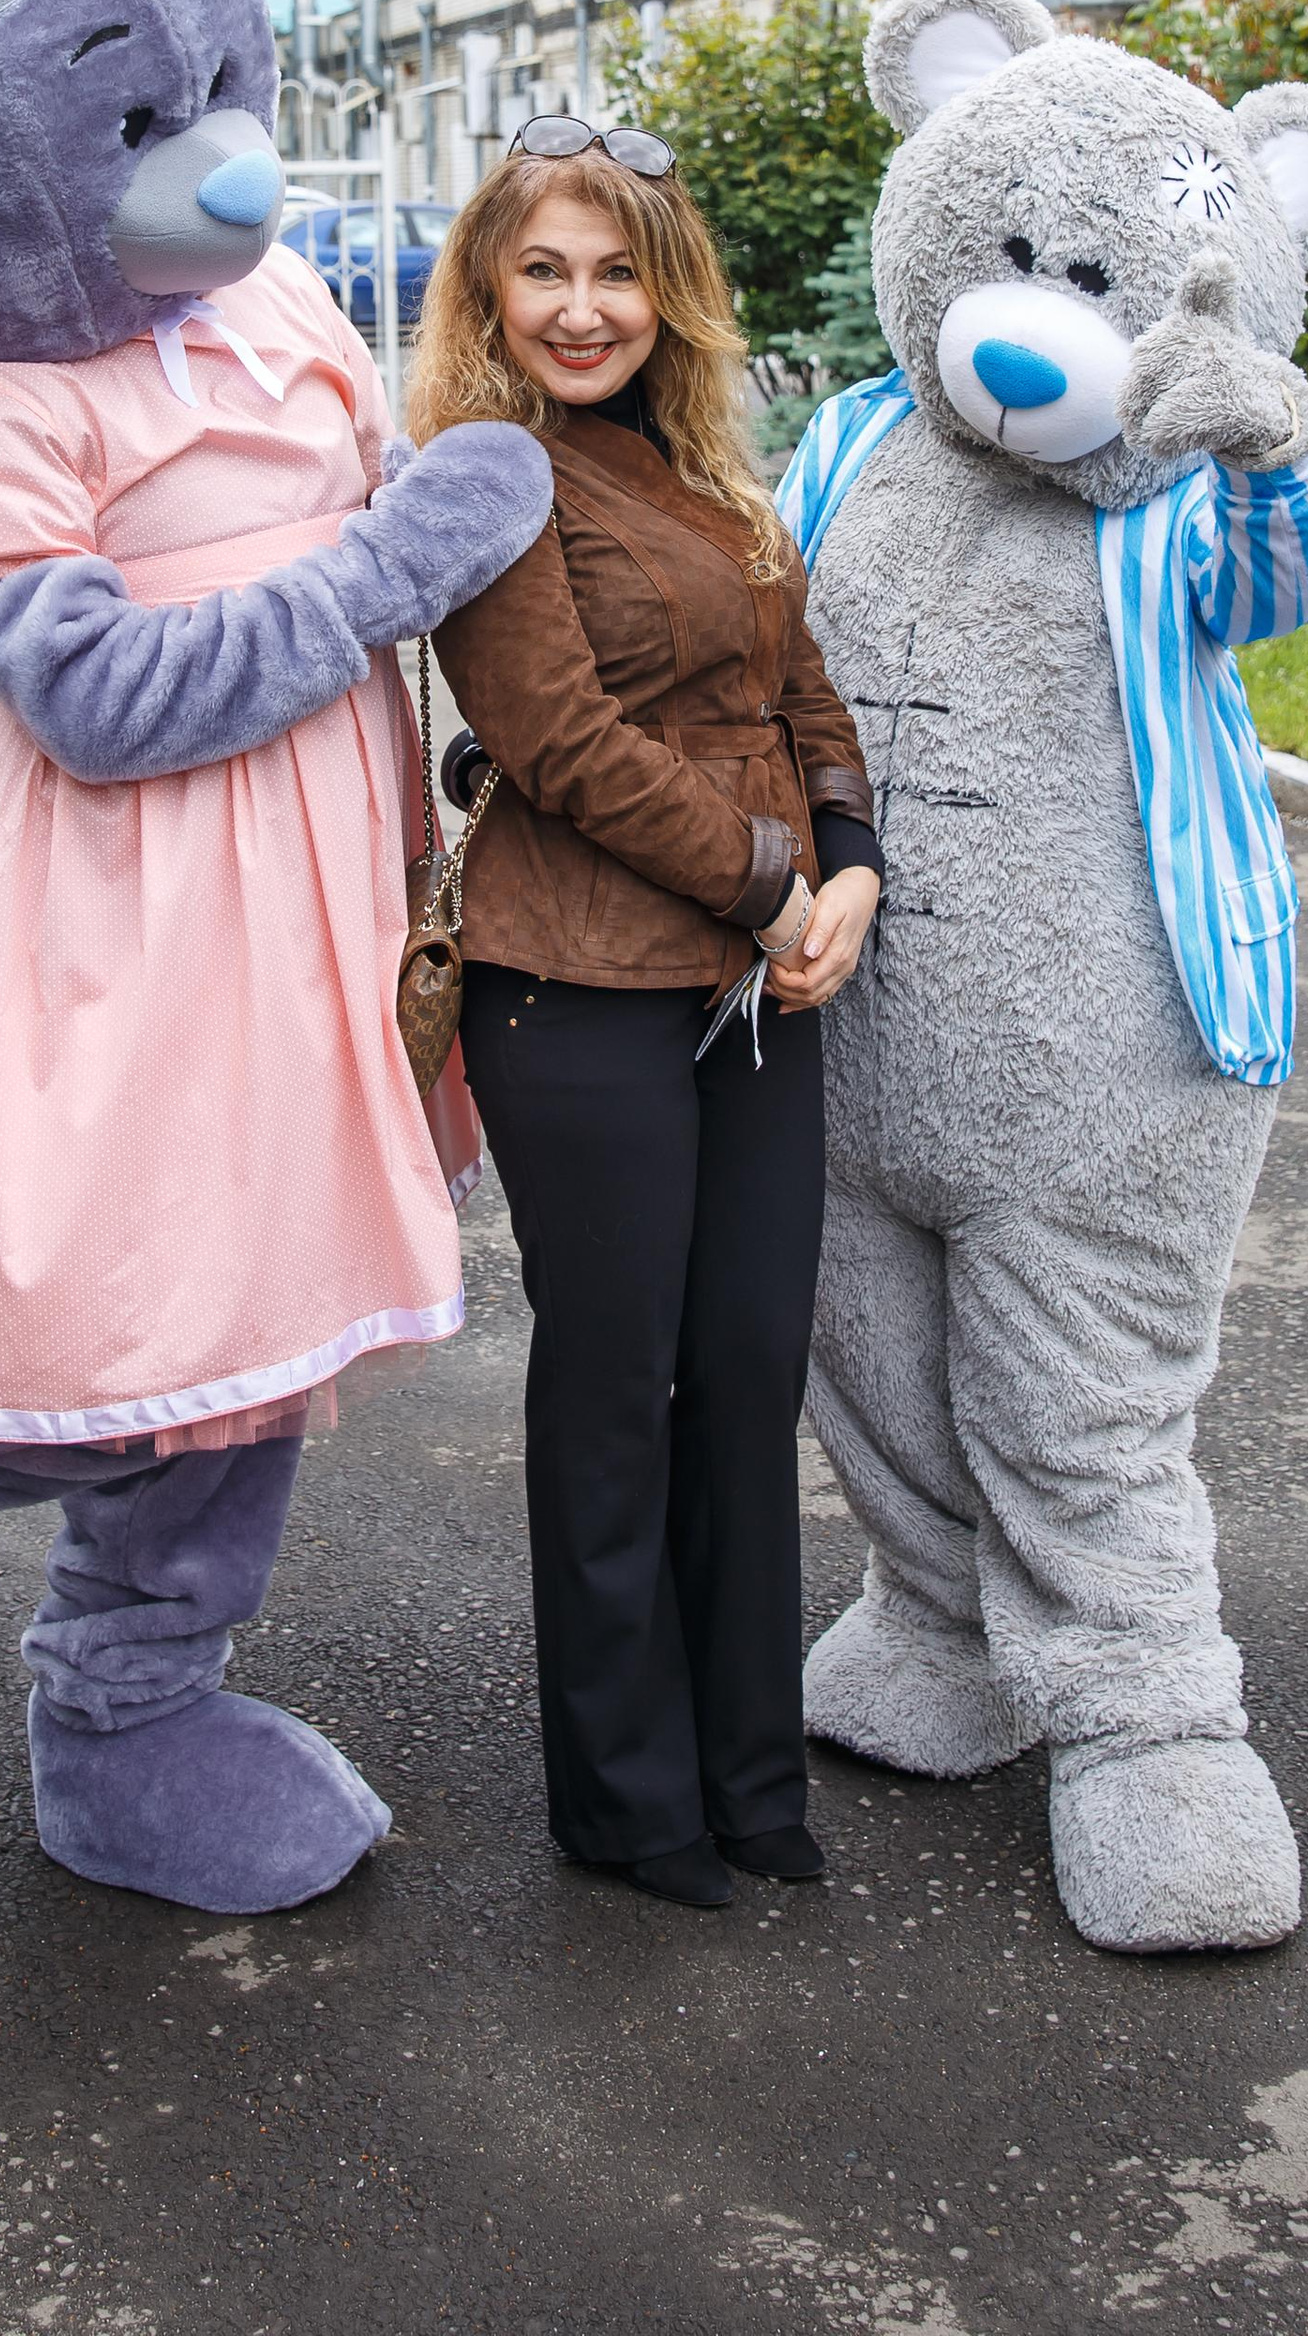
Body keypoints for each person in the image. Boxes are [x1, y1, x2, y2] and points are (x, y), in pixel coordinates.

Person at [413, 116, 882, 1910]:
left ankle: (751, 1774)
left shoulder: (708, 477)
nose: (582, 308)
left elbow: (805, 691)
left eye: (617, 272)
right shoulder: (483, 471)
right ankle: (627, 1800)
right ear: (490, 284)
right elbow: (561, 746)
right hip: (579, 987)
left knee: (748, 1368)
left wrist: (849, 870)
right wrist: (774, 886)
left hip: (764, 977)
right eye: (545, 269)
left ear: (668, 295)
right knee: (622, 1386)